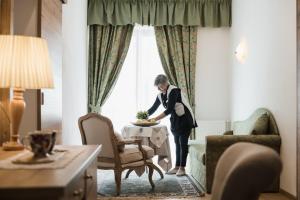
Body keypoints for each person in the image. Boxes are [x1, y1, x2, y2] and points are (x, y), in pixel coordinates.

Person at [147, 74, 197, 176]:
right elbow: (153, 108)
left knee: (183, 144)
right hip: (175, 120)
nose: (160, 89)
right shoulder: (160, 95)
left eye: (161, 86)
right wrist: (143, 116)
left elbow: (169, 109)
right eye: (158, 87)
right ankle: (177, 166)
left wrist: (154, 119)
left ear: (166, 83)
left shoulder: (174, 90)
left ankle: (182, 168)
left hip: (185, 119)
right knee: (177, 144)